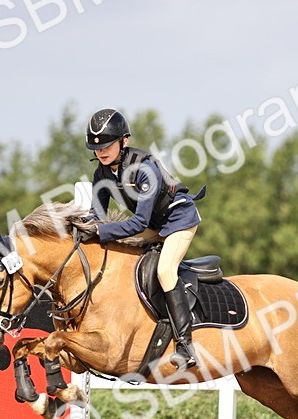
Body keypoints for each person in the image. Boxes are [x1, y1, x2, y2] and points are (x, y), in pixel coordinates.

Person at [73, 108, 205, 368]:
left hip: (179, 221)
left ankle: (185, 345)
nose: (101, 152)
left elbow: (139, 223)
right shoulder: (102, 173)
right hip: (154, 225)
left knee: (165, 271)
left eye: (107, 145)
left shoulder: (144, 169)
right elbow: (96, 216)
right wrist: (77, 229)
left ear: (124, 141)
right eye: (96, 148)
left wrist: (100, 231)